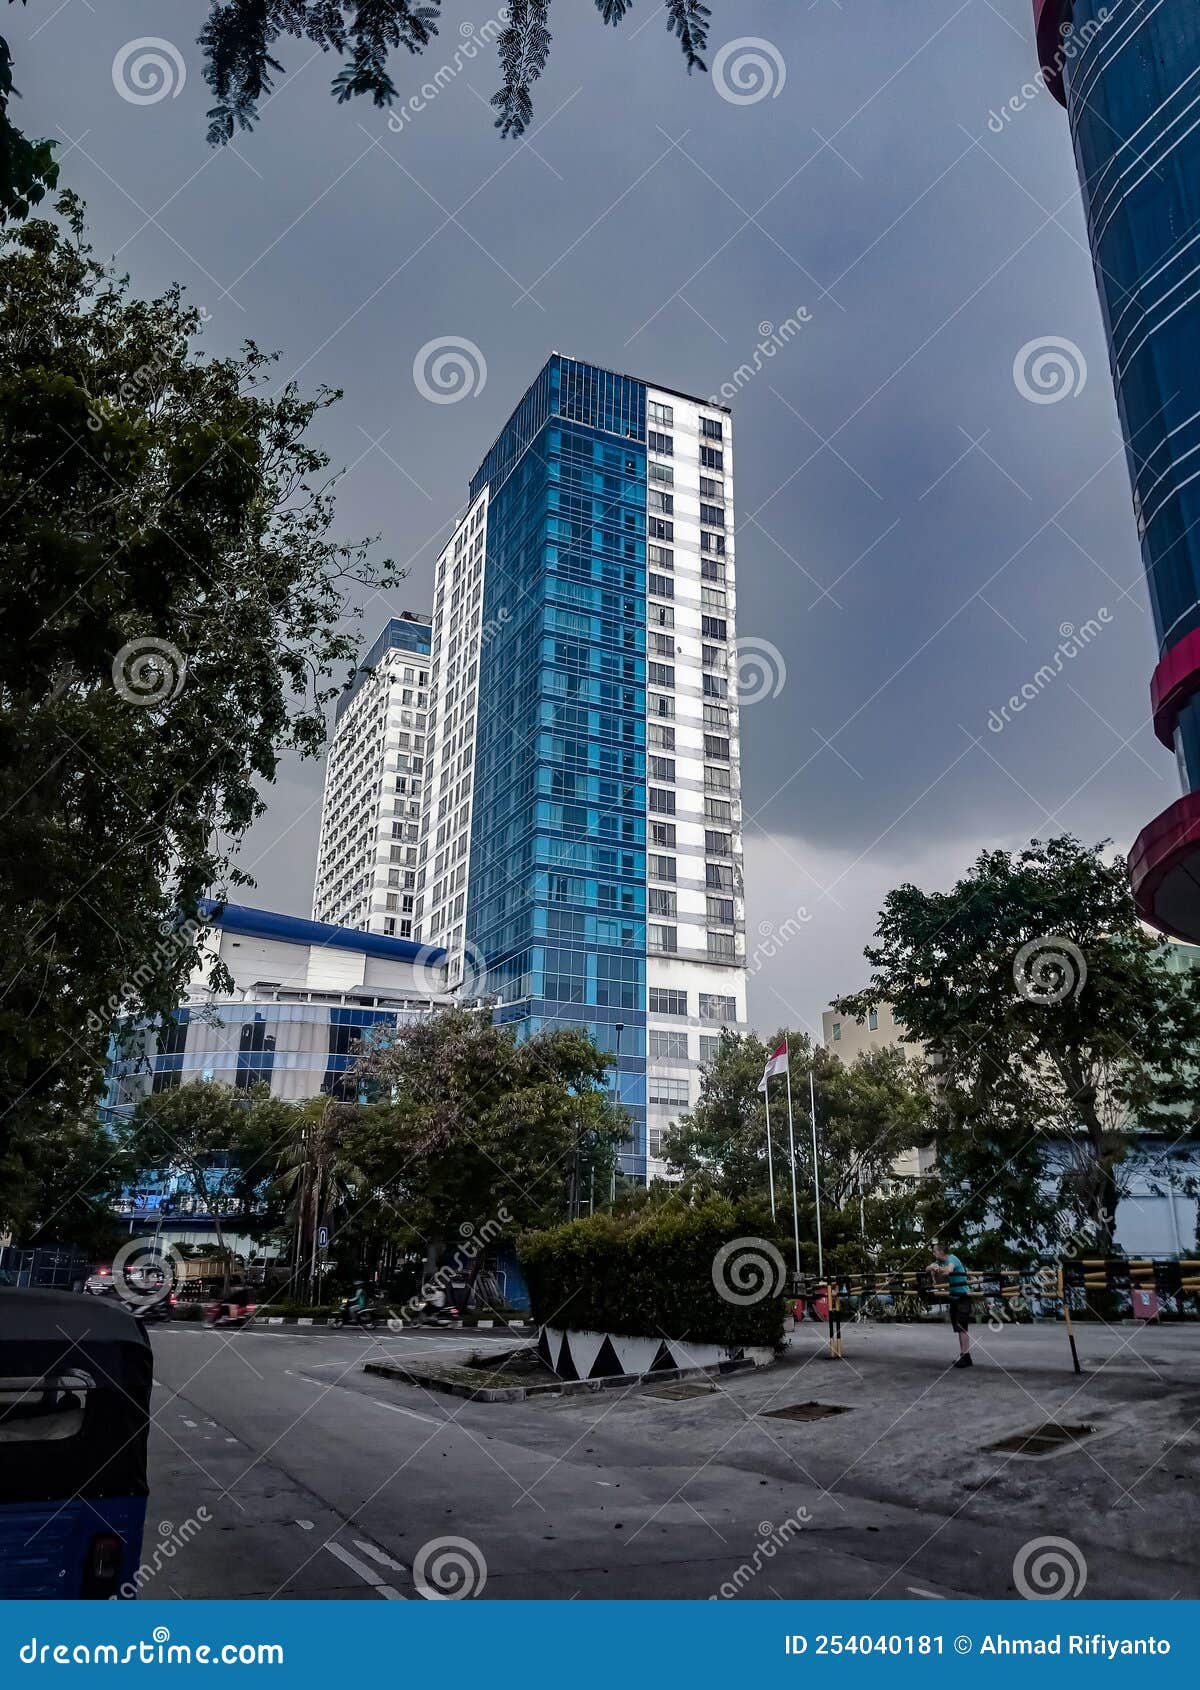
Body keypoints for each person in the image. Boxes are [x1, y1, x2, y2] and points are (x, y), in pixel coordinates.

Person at [928, 1242, 973, 1368]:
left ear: (941, 1252)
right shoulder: (940, 1262)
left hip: (962, 1297)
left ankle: (966, 1356)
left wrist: (938, 1269)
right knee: (959, 1328)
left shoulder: (952, 1259)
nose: (934, 1253)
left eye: (935, 1251)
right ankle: (963, 1354)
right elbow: (928, 1268)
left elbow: (949, 1270)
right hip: (954, 1296)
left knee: (963, 1328)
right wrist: (933, 1267)